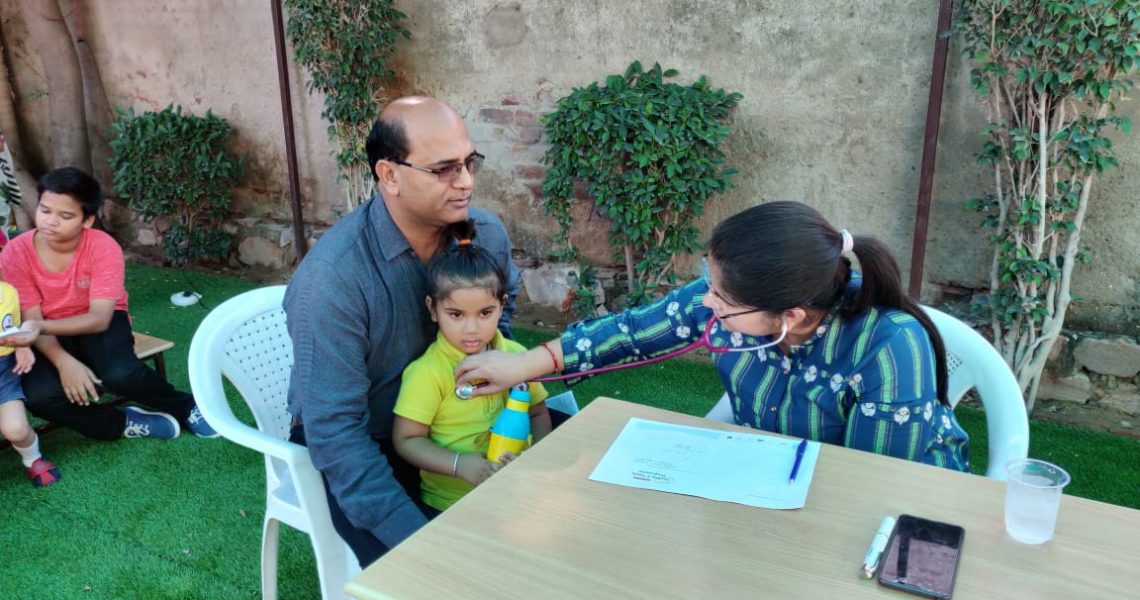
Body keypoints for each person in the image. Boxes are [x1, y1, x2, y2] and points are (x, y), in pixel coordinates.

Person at [457, 201, 971, 472]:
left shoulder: (889, 346)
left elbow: (872, 482)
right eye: (709, 282)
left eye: (722, 298)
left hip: (894, 502)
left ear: (789, 316)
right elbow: (630, 333)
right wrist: (523, 365)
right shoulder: (733, 298)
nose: (707, 302)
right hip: (772, 477)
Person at [284, 96, 521, 565]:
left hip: (463, 419)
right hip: (368, 443)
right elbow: (335, 434)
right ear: (389, 175)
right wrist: (423, 546)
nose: (466, 182)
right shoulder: (334, 279)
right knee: (452, 569)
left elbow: (502, 328)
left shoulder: (485, 236)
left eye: (469, 162)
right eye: (444, 169)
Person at [0, 167, 216, 442]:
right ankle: (121, 422)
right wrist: (64, 362)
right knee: (39, 396)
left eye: (65, 216)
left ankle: (185, 407)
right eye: (45, 210)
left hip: (96, 322)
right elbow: (32, 317)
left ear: (87, 220)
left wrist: (40, 328)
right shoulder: (16, 252)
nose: (50, 221)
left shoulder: (102, 247)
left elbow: (99, 318)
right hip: (45, 331)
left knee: (120, 374)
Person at [393, 220, 550, 514]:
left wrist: (535, 457)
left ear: (502, 305)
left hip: (516, 493)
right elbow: (407, 440)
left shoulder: (518, 358)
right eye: (456, 314)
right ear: (433, 309)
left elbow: (538, 412)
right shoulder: (427, 372)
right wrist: (459, 464)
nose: (471, 329)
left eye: (485, 313)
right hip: (450, 505)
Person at [0, 279, 61, 487]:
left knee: (16, 428)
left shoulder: (8, 293)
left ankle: (32, 459)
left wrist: (22, 346)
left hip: (4, 372)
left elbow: (13, 329)